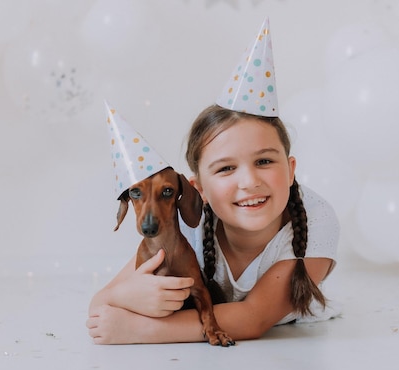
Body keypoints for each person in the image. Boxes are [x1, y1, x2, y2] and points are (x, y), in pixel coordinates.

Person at [86, 18, 340, 345]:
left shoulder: (316, 222)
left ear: (291, 170)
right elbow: (100, 304)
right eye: (225, 169)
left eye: (264, 161)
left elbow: (253, 318)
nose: (249, 181)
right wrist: (128, 296)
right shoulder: (187, 222)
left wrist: (142, 329)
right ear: (198, 190)